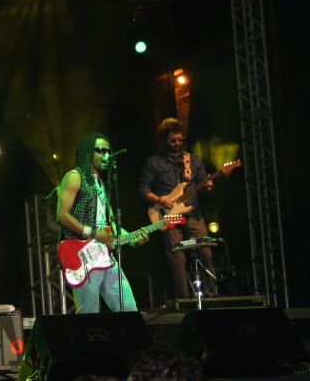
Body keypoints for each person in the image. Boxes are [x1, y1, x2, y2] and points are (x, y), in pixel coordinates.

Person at [56, 132, 148, 314]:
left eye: (108, 151)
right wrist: (94, 234)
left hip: (106, 256)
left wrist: (132, 238)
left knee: (129, 309)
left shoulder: (102, 184)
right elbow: (61, 215)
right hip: (83, 256)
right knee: (89, 313)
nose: (107, 155)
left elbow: (110, 224)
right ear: (87, 152)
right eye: (101, 150)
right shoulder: (74, 177)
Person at [139, 118, 215, 299]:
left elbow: (203, 189)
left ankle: (210, 295)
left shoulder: (193, 161)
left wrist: (208, 187)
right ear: (165, 140)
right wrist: (160, 200)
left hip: (193, 214)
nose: (178, 143)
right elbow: (143, 190)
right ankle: (184, 300)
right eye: (173, 140)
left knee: (205, 251)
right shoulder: (154, 162)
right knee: (177, 257)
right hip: (169, 216)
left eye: (180, 140)